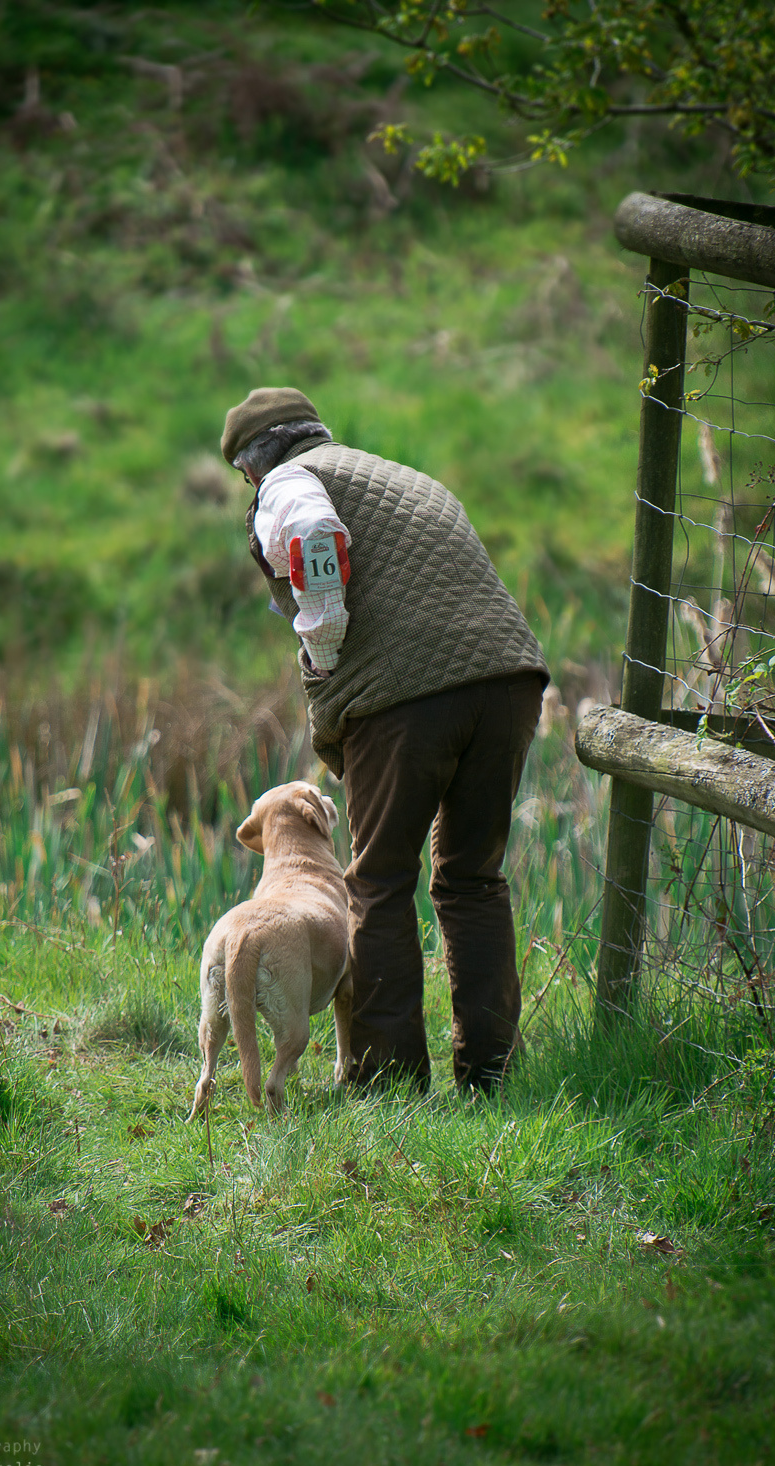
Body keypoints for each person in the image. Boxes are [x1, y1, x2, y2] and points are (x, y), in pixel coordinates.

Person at [221, 386, 549, 1096]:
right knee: (473, 882)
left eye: (244, 476)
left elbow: (311, 542)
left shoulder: (286, 483)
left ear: (252, 464)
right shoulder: (402, 476)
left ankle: (387, 1084)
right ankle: (490, 1077)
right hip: (509, 680)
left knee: (376, 882)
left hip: (407, 699)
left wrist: (323, 647)